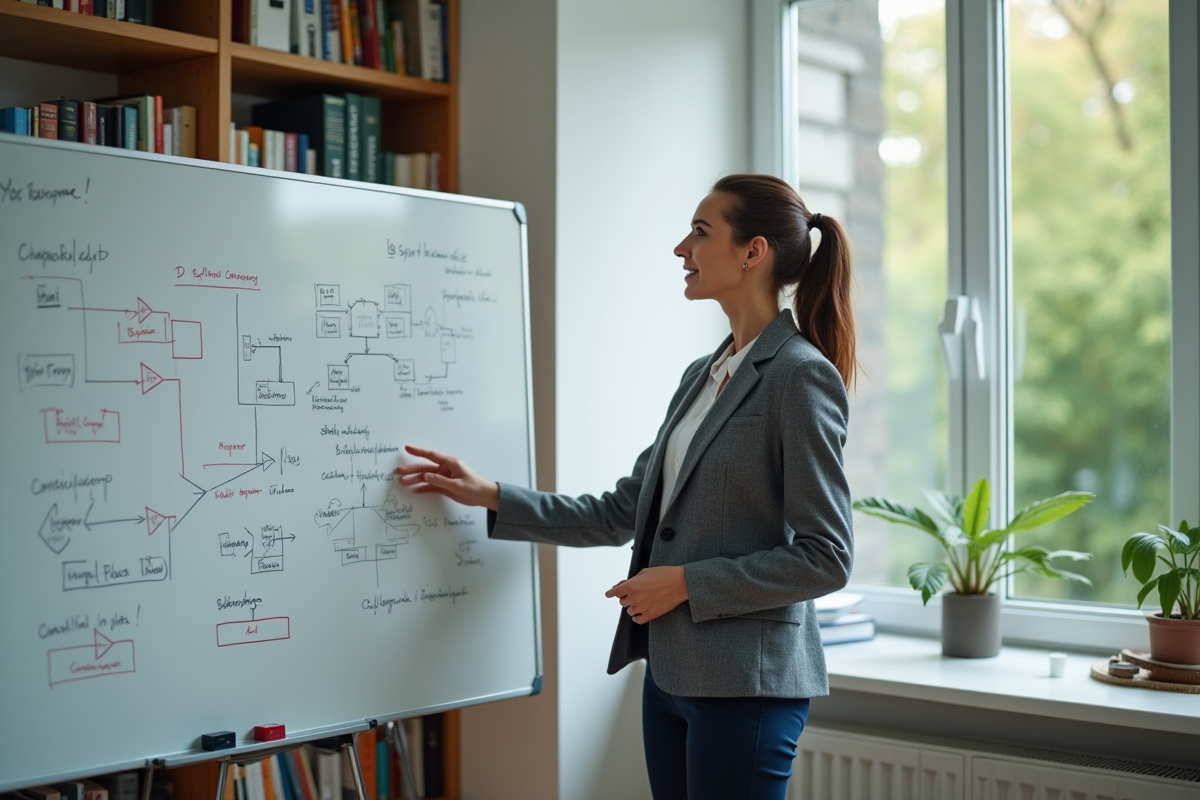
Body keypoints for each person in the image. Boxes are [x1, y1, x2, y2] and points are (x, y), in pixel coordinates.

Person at [394, 173, 855, 800]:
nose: (680, 249)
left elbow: (826, 558)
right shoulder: (704, 374)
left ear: (753, 252)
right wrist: (492, 495)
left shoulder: (800, 378)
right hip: (667, 675)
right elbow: (623, 510)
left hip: (747, 687)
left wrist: (688, 583)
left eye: (699, 232)